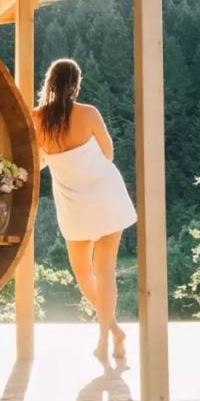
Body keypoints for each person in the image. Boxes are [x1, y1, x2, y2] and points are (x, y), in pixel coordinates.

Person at [33, 58, 138, 360]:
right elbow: (108, 153)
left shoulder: (37, 118)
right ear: (76, 84)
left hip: (74, 203)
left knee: (83, 274)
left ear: (49, 83)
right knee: (105, 272)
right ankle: (108, 336)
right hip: (106, 196)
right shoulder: (89, 113)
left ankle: (112, 333)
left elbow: (38, 161)